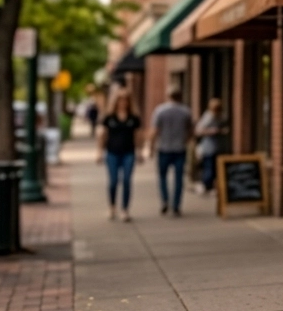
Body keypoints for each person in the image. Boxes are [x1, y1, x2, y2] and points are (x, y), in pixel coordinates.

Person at [97, 93, 141, 222]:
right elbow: (102, 135)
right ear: (115, 102)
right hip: (112, 153)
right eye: (120, 101)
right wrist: (99, 152)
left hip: (129, 153)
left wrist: (140, 151)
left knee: (127, 180)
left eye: (125, 101)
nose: (123, 103)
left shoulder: (134, 118)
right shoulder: (109, 117)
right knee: (113, 181)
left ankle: (125, 209)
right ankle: (112, 207)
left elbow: (137, 136)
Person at [149, 89, 193, 217]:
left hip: (164, 148)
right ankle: (176, 205)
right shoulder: (186, 111)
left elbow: (155, 130)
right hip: (180, 149)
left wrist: (151, 147)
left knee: (162, 176)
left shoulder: (160, 111)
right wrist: (186, 141)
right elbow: (190, 130)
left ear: (168, 96)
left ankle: (165, 201)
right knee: (179, 178)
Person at [194, 99, 226, 193]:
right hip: (209, 147)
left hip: (218, 146)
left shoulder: (221, 116)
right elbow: (199, 130)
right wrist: (213, 131)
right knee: (209, 167)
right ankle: (207, 185)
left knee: (215, 167)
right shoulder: (208, 117)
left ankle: (213, 186)